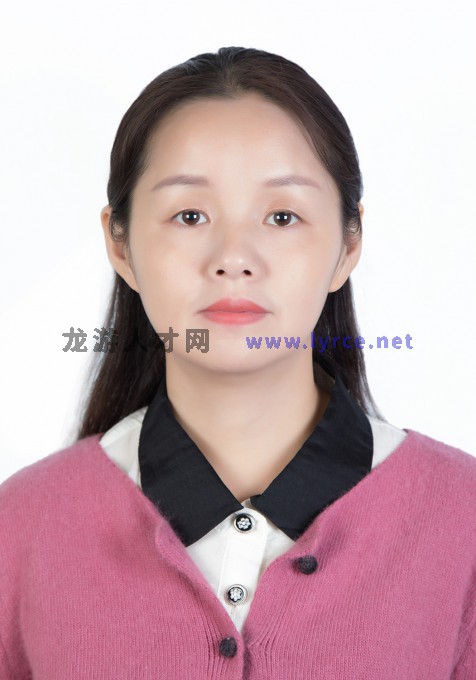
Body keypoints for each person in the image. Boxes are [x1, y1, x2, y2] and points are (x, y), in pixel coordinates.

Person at [1, 47, 475, 679]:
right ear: (120, 244)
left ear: (348, 244)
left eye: (282, 216)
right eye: (189, 215)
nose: (233, 258)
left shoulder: (462, 518)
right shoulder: (22, 524)